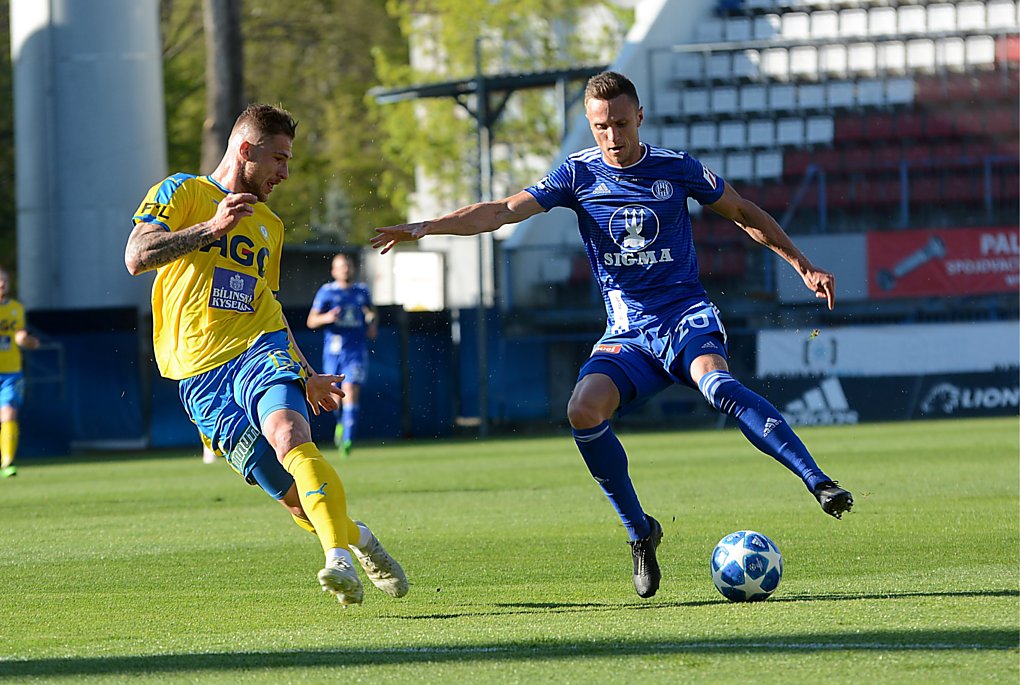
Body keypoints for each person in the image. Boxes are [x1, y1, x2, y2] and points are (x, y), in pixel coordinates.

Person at [372, 71, 853, 599]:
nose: (613, 136)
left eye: (621, 124)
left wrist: (803, 265)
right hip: (628, 332)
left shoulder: (676, 167)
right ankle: (640, 531)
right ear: (589, 124)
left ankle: (817, 480)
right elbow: (503, 211)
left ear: (639, 117)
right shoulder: (576, 174)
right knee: (582, 410)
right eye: (601, 126)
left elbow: (741, 211)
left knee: (717, 385)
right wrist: (427, 226)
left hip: (685, 316)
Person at [125, 104, 407, 605]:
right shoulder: (182, 191)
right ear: (245, 150)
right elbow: (136, 256)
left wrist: (308, 372)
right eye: (279, 159)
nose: (285, 173)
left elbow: (267, 305)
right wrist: (210, 228)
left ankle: (336, 560)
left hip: (259, 350)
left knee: (289, 436)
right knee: (296, 502)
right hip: (198, 376)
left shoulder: (269, 225)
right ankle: (360, 539)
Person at [306, 253, 377, 458]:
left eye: (348, 265)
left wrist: (372, 323)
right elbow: (311, 321)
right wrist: (327, 318)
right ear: (333, 271)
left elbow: (372, 314)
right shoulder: (327, 292)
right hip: (334, 353)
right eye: (341, 266)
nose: (345, 269)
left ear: (353, 268)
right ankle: (340, 423)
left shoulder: (362, 291)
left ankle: (348, 440)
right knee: (336, 398)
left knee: (351, 390)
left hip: (355, 352)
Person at [0, 268, 40, 478]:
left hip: (11, 373)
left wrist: (27, 341)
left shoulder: (16, 308)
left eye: (4, 281)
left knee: (8, 413)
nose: (1, 284)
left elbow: (20, 335)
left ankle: (7, 462)